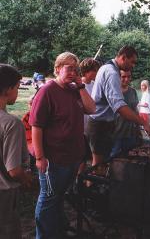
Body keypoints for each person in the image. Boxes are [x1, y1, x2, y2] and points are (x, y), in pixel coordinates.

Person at [29, 51, 95, 239]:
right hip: (53, 160)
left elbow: (91, 109)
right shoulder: (47, 91)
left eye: (76, 69)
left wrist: (81, 87)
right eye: (69, 68)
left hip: (73, 157)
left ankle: (56, 231)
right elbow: (36, 126)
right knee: (48, 199)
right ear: (57, 69)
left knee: (58, 197)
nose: (73, 72)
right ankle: (42, 235)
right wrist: (40, 158)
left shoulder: (75, 90)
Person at [87, 45, 150, 166]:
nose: (133, 66)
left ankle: (99, 183)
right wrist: (144, 123)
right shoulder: (112, 73)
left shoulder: (106, 67)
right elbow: (119, 106)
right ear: (123, 57)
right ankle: (90, 184)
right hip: (99, 125)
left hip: (103, 124)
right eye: (132, 62)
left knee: (102, 163)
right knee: (98, 164)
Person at [0, 64, 31, 239]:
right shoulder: (11, 123)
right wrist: (29, 180)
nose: (18, 92)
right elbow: (14, 170)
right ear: (7, 89)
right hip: (4, 196)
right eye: (17, 87)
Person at [111, 70, 140, 157]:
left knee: (125, 155)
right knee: (113, 155)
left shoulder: (133, 92)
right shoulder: (113, 91)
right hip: (115, 132)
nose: (126, 79)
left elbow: (135, 110)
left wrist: (138, 126)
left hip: (129, 131)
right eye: (123, 77)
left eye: (129, 77)